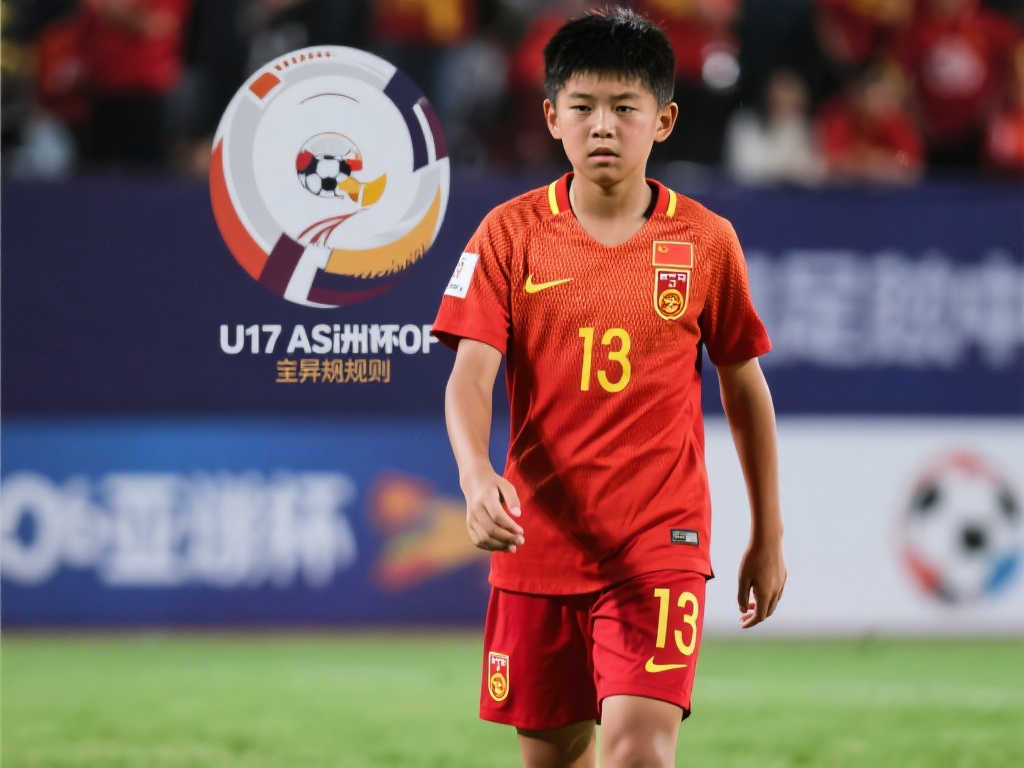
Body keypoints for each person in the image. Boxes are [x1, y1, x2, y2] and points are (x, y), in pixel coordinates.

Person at [432, 7, 786, 767]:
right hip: (538, 541)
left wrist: (769, 531)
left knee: (639, 751)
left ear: (663, 120)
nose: (602, 126)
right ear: (551, 116)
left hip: (658, 542)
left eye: (625, 107)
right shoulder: (508, 234)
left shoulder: (705, 241)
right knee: (557, 757)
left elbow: (745, 389)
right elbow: (470, 375)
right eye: (584, 106)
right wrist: (474, 474)